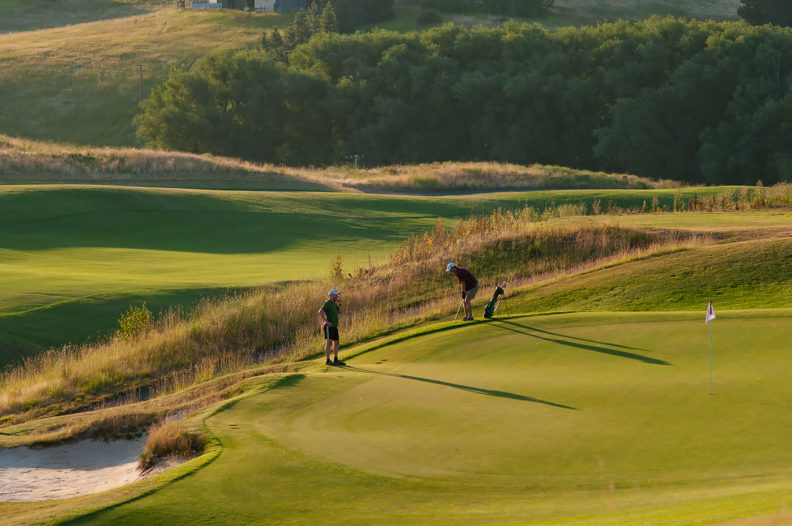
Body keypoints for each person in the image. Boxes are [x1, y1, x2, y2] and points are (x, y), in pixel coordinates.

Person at [318, 289, 345, 366]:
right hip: (328, 327)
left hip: (334, 326)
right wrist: (326, 321)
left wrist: (340, 303)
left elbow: (339, 312)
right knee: (329, 342)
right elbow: (320, 311)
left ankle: (336, 359)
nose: (337, 296)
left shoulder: (334, 303)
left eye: (337, 295)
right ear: (331, 295)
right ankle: (328, 360)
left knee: (336, 342)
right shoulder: (328, 303)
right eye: (336, 295)